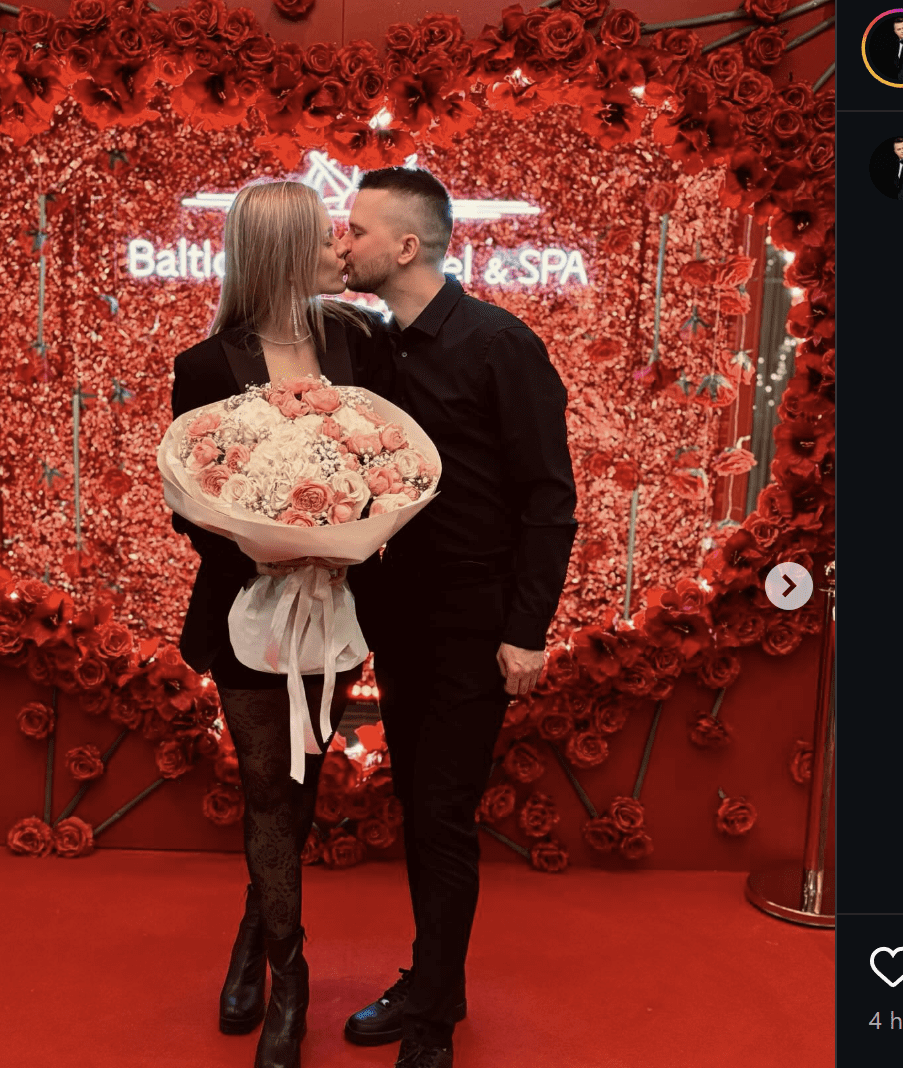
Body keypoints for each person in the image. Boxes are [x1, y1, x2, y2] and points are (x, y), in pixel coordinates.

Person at [337, 166, 578, 1068]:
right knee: (419, 803)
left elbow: (549, 498)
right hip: (399, 616)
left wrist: (526, 630)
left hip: (477, 622)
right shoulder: (373, 347)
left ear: (406, 246)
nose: (342, 244)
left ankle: (433, 1014)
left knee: (440, 813)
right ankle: (435, 982)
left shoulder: (499, 344)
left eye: (356, 230)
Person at [169, 179, 388, 1068]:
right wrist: (268, 548)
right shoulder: (205, 365)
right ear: (285, 251)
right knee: (267, 786)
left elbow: (392, 461)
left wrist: (348, 538)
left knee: (300, 783)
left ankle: (251, 934)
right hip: (247, 612)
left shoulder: (359, 343)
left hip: (335, 610)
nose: (341, 248)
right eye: (325, 236)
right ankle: (288, 979)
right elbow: (189, 503)